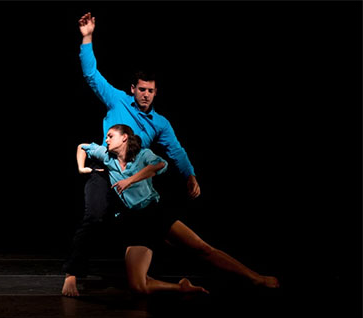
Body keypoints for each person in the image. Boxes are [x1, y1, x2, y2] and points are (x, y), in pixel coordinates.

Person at [62, 12, 200, 296]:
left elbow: (175, 150)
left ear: (155, 92)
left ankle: (156, 270)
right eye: (142, 90)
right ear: (133, 90)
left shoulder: (160, 123)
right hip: (108, 171)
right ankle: (73, 275)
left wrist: (190, 175)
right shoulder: (117, 100)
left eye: (151, 91)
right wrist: (87, 37)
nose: (146, 95)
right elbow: (91, 75)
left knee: (154, 220)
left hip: (135, 179)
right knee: (95, 216)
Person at [77, 124, 280, 295]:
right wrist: (81, 167)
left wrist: (129, 180)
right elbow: (82, 147)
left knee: (202, 248)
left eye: (111, 136)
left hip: (154, 212)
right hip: (134, 222)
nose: (106, 139)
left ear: (124, 138)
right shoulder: (105, 156)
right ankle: (181, 287)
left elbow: (159, 164)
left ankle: (256, 278)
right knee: (138, 286)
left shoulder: (143, 155)